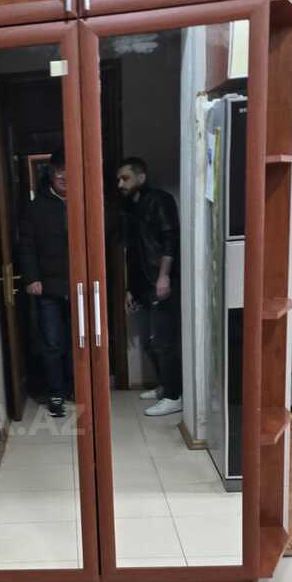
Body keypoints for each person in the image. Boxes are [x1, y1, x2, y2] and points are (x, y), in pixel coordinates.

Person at [116, 156, 182, 417]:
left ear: (141, 177)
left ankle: (174, 396)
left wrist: (164, 277)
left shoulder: (159, 200)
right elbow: (131, 252)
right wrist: (129, 288)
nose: (120, 184)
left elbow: (169, 240)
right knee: (148, 342)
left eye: (125, 178)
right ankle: (165, 386)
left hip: (159, 281)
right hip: (141, 284)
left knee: (163, 341)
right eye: (119, 179)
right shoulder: (130, 207)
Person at [19, 150, 71, 419]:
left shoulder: (85, 200)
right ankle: (56, 393)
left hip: (82, 285)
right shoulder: (36, 206)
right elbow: (26, 245)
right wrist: (32, 278)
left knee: (82, 340)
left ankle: (78, 388)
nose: (64, 176)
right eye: (59, 170)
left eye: (69, 170)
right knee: (52, 342)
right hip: (48, 285)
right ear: (51, 173)